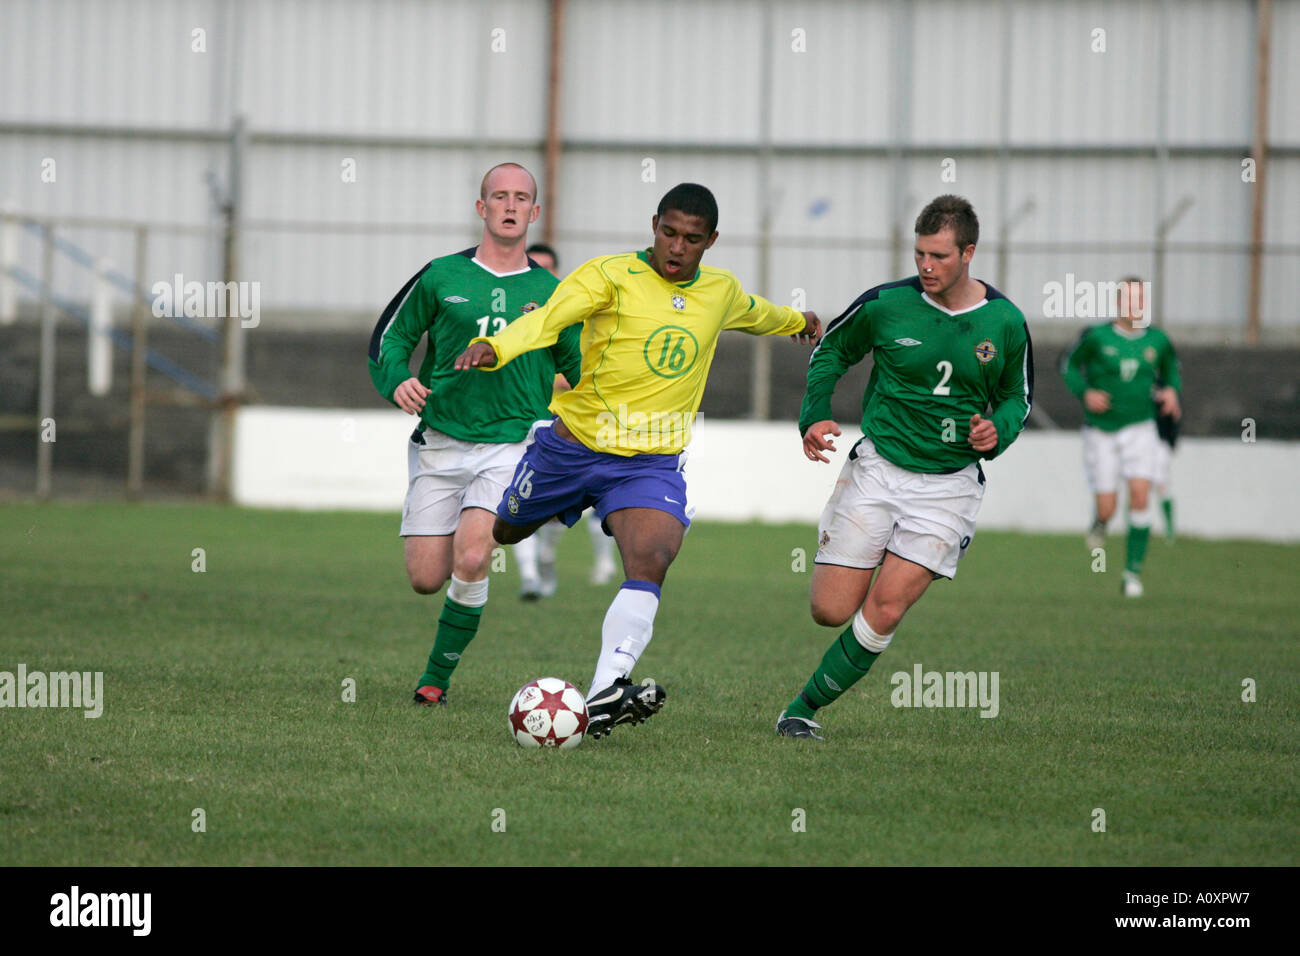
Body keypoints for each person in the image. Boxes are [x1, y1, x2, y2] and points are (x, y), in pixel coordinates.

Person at [455, 183, 821, 738]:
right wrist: (498, 347)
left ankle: (603, 694)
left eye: (692, 240)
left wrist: (800, 323)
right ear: (654, 225)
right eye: (668, 233)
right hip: (573, 445)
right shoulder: (608, 276)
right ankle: (550, 507)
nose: (676, 247)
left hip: (648, 462)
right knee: (504, 532)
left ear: (711, 241)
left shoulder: (718, 291)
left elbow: (756, 313)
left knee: (652, 556)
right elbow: (549, 320)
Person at [775, 194, 1033, 741]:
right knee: (830, 609)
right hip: (879, 470)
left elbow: (1017, 398)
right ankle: (871, 552)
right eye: (919, 253)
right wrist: (814, 415)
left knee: (887, 608)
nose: (926, 265)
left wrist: (997, 432)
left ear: (969, 253)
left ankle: (800, 711)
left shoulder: (1005, 322)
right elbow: (831, 352)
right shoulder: (886, 304)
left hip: (950, 486)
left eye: (939, 255)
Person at [368, 163, 581, 706]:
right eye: (499, 196)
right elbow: (389, 341)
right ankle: (445, 634)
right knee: (424, 576)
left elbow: (584, 369)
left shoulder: (554, 293)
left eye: (521, 198)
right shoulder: (441, 275)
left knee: (471, 557)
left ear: (534, 213)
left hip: (513, 446)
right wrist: (398, 381)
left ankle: (434, 681)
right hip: (440, 443)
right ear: (481, 207)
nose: (510, 206)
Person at [1060, 276, 1181, 596]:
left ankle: (1132, 575)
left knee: (1141, 495)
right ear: (1118, 303)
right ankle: (1100, 523)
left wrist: (1171, 391)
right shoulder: (1097, 337)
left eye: (1141, 299)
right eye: (1130, 300)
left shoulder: (1158, 340)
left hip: (1142, 428)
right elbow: (1069, 366)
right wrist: (1085, 392)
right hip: (1101, 432)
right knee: (1107, 508)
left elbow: (1172, 370)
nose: (1136, 306)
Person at [512, 243, 620, 599]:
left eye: (547, 268)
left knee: (568, 508)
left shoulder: (575, 310)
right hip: (527, 418)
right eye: (535, 266)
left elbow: (583, 360)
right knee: (519, 497)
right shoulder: (515, 312)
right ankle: (530, 575)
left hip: (573, 425)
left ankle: (551, 557)